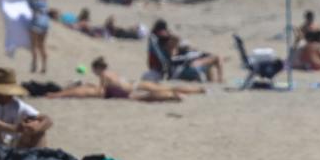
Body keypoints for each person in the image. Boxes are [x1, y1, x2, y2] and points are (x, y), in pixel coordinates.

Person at [47, 57, 204, 101]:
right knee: (167, 88)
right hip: (134, 83)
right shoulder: (109, 72)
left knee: (160, 93)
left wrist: (87, 88)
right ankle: (197, 90)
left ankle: (181, 95)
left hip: (132, 89)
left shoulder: (103, 75)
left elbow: (101, 91)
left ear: (97, 69)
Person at [0, 68, 52, 147]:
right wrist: (14, 128)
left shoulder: (18, 105)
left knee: (39, 132)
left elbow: (47, 119)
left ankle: (37, 157)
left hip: (13, 145)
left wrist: (36, 127)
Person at [26, 0, 50, 73]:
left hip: (36, 19)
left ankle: (34, 64)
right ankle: (44, 66)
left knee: (33, 45)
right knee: (42, 45)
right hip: (45, 20)